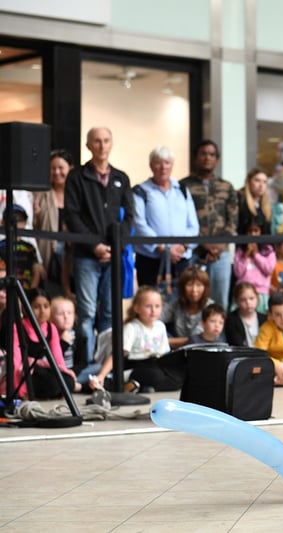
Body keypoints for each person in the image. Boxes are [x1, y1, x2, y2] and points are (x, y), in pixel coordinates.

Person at [64, 126, 134, 370]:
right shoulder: (76, 177)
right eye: (97, 141)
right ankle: (84, 368)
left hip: (114, 256)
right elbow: (72, 216)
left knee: (110, 314)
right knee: (86, 314)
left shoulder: (121, 178)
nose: (102, 145)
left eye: (106, 141)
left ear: (111, 144)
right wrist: (95, 246)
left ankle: (105, 370)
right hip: (86, 256)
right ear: (88, 146)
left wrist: (115, 246)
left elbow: (130, 217)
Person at [181, 140, 238, 311]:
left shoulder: (226, 187)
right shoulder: (183, 186)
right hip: (194, 252)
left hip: (221, 254)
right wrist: (202, 243)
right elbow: (181, 221)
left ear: (217, 159)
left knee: (220, 302)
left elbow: (233, 221)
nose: (207, 158)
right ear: (195, 158)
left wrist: (219, 247)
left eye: (212, 155)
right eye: (203, 154)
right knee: (192, 301)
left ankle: (219, 338)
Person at [93, 286, 183, 393]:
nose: (153, 310)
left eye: (157, 306)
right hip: (134, 365)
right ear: (137, 308)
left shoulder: (160, 326)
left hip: (155, 363)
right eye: (148, 306)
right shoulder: (131, 327)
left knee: (179, 376)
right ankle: (127, 381)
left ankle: (141, 387)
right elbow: (117, 354)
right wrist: (102, 375)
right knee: (155, 375)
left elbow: (164, 353)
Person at [133, 146, 200, 288]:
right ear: (151, 166)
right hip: (150, 260)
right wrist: (162, 248)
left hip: (181, 259)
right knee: (151, 304)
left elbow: (193, 225)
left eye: (167, 163)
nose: (163, 167)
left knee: (181, 304)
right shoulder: (140, 191)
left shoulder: (182, 189)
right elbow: (139, 224)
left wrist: (182, 247)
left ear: (172, 166)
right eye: (158, 162)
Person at [11, 287, 77, 399]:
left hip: (42, 368)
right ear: (26, 309)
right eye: (36, 307)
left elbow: (57, 359)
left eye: (46, 306)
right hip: (25, 371)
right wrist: (19, 389)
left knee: (68, 381)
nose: (42, 311)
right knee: (49, 382)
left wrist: (63, 374)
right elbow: (16, 360)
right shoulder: (18, 327)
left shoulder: (51, 328)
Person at [33, 149, 75, 298]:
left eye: (61, 168)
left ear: (70, 168)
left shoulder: (77, 195)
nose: (56, 172)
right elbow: (30, 226)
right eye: (52, 168)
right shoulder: (39, 194)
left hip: (72, 257)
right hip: (47, 254)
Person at [160, 265, 214, 349]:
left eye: (199, 285)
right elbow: (158, 316)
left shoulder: (211, 307)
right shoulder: (177, 304)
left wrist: (164, 341)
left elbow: (197, 340)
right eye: (189, 285)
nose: (194, 290)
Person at [233, 221, 275, 313]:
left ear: (261, 232)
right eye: (250, 231)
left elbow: (269, 269)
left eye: (256, 231)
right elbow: (238, 273)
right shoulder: (240, 251)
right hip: (242, 292)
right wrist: (246, 255)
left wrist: (256, 255)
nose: (253, 234)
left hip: (261, 292)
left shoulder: (268, 250)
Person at [0, 204, 45, 290]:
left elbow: (36, 270)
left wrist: (33, 288)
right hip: (4, 290)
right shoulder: (0, 245)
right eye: (12, 219)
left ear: (25, 223)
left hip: (26, 290)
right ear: (3, 222)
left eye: (19, 219)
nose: (16, 223)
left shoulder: (30, 248)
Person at [50, 295, 87, 385]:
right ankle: (75, 385)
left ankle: (71, 384)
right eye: (60, 314)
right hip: (55, 372)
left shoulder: (79, 336)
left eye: (69, 313)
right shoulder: (48, 335)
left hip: (73, 372)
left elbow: (82, 363)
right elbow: (51, 362)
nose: (66, 317)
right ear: (51, 317)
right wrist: (63, 343)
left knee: (97, 368)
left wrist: (72, 372)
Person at [223, 281, 267, 347]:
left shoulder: (264, 319)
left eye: (251, 298)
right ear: (237, 301)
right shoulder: (231, 320)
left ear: (257, 298)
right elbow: (236, 343)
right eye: (243, 300)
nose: (248, 303)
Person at [237, 167, 272, 236]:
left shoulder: (265, 205)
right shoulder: (239, 200)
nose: (261, 185)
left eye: (264, 182)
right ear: (249, 182)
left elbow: (267, 232)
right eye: (257, 181)